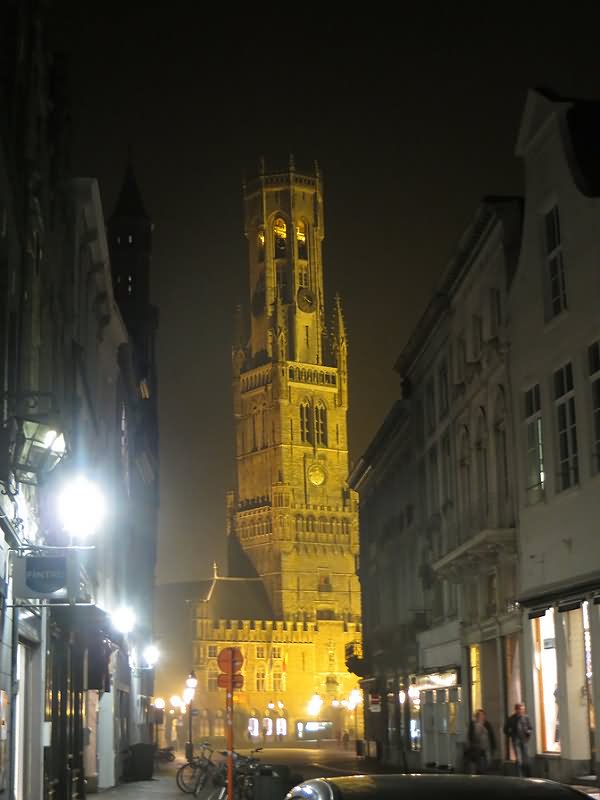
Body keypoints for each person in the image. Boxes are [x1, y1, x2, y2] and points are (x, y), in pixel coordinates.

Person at [504, 703, 533, 776]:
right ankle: (520, 776)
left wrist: (528, 732)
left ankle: (528, 775)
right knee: (519, 760)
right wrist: (510, 735)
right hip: (516, 741)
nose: (522, 711)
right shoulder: (511, 719)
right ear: (516, 710)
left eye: (523, 710)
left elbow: (530, 728)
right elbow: (505, 729)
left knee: (526, 758)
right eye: (520, 710)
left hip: (524, 740)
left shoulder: (526, 717)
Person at [466, 709, 496, 774]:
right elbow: (470, 735)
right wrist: (471, 744)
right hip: (477, 746)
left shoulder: (487, 724)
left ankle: (484, 772)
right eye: (479, 715)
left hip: (486, 746)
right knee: (479, 762)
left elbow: (491, 735)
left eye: (482, 715)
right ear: (477, 716)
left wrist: (493, 746)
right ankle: (480, 773)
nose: (481, 716)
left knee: (488, 761)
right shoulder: (473, 724)